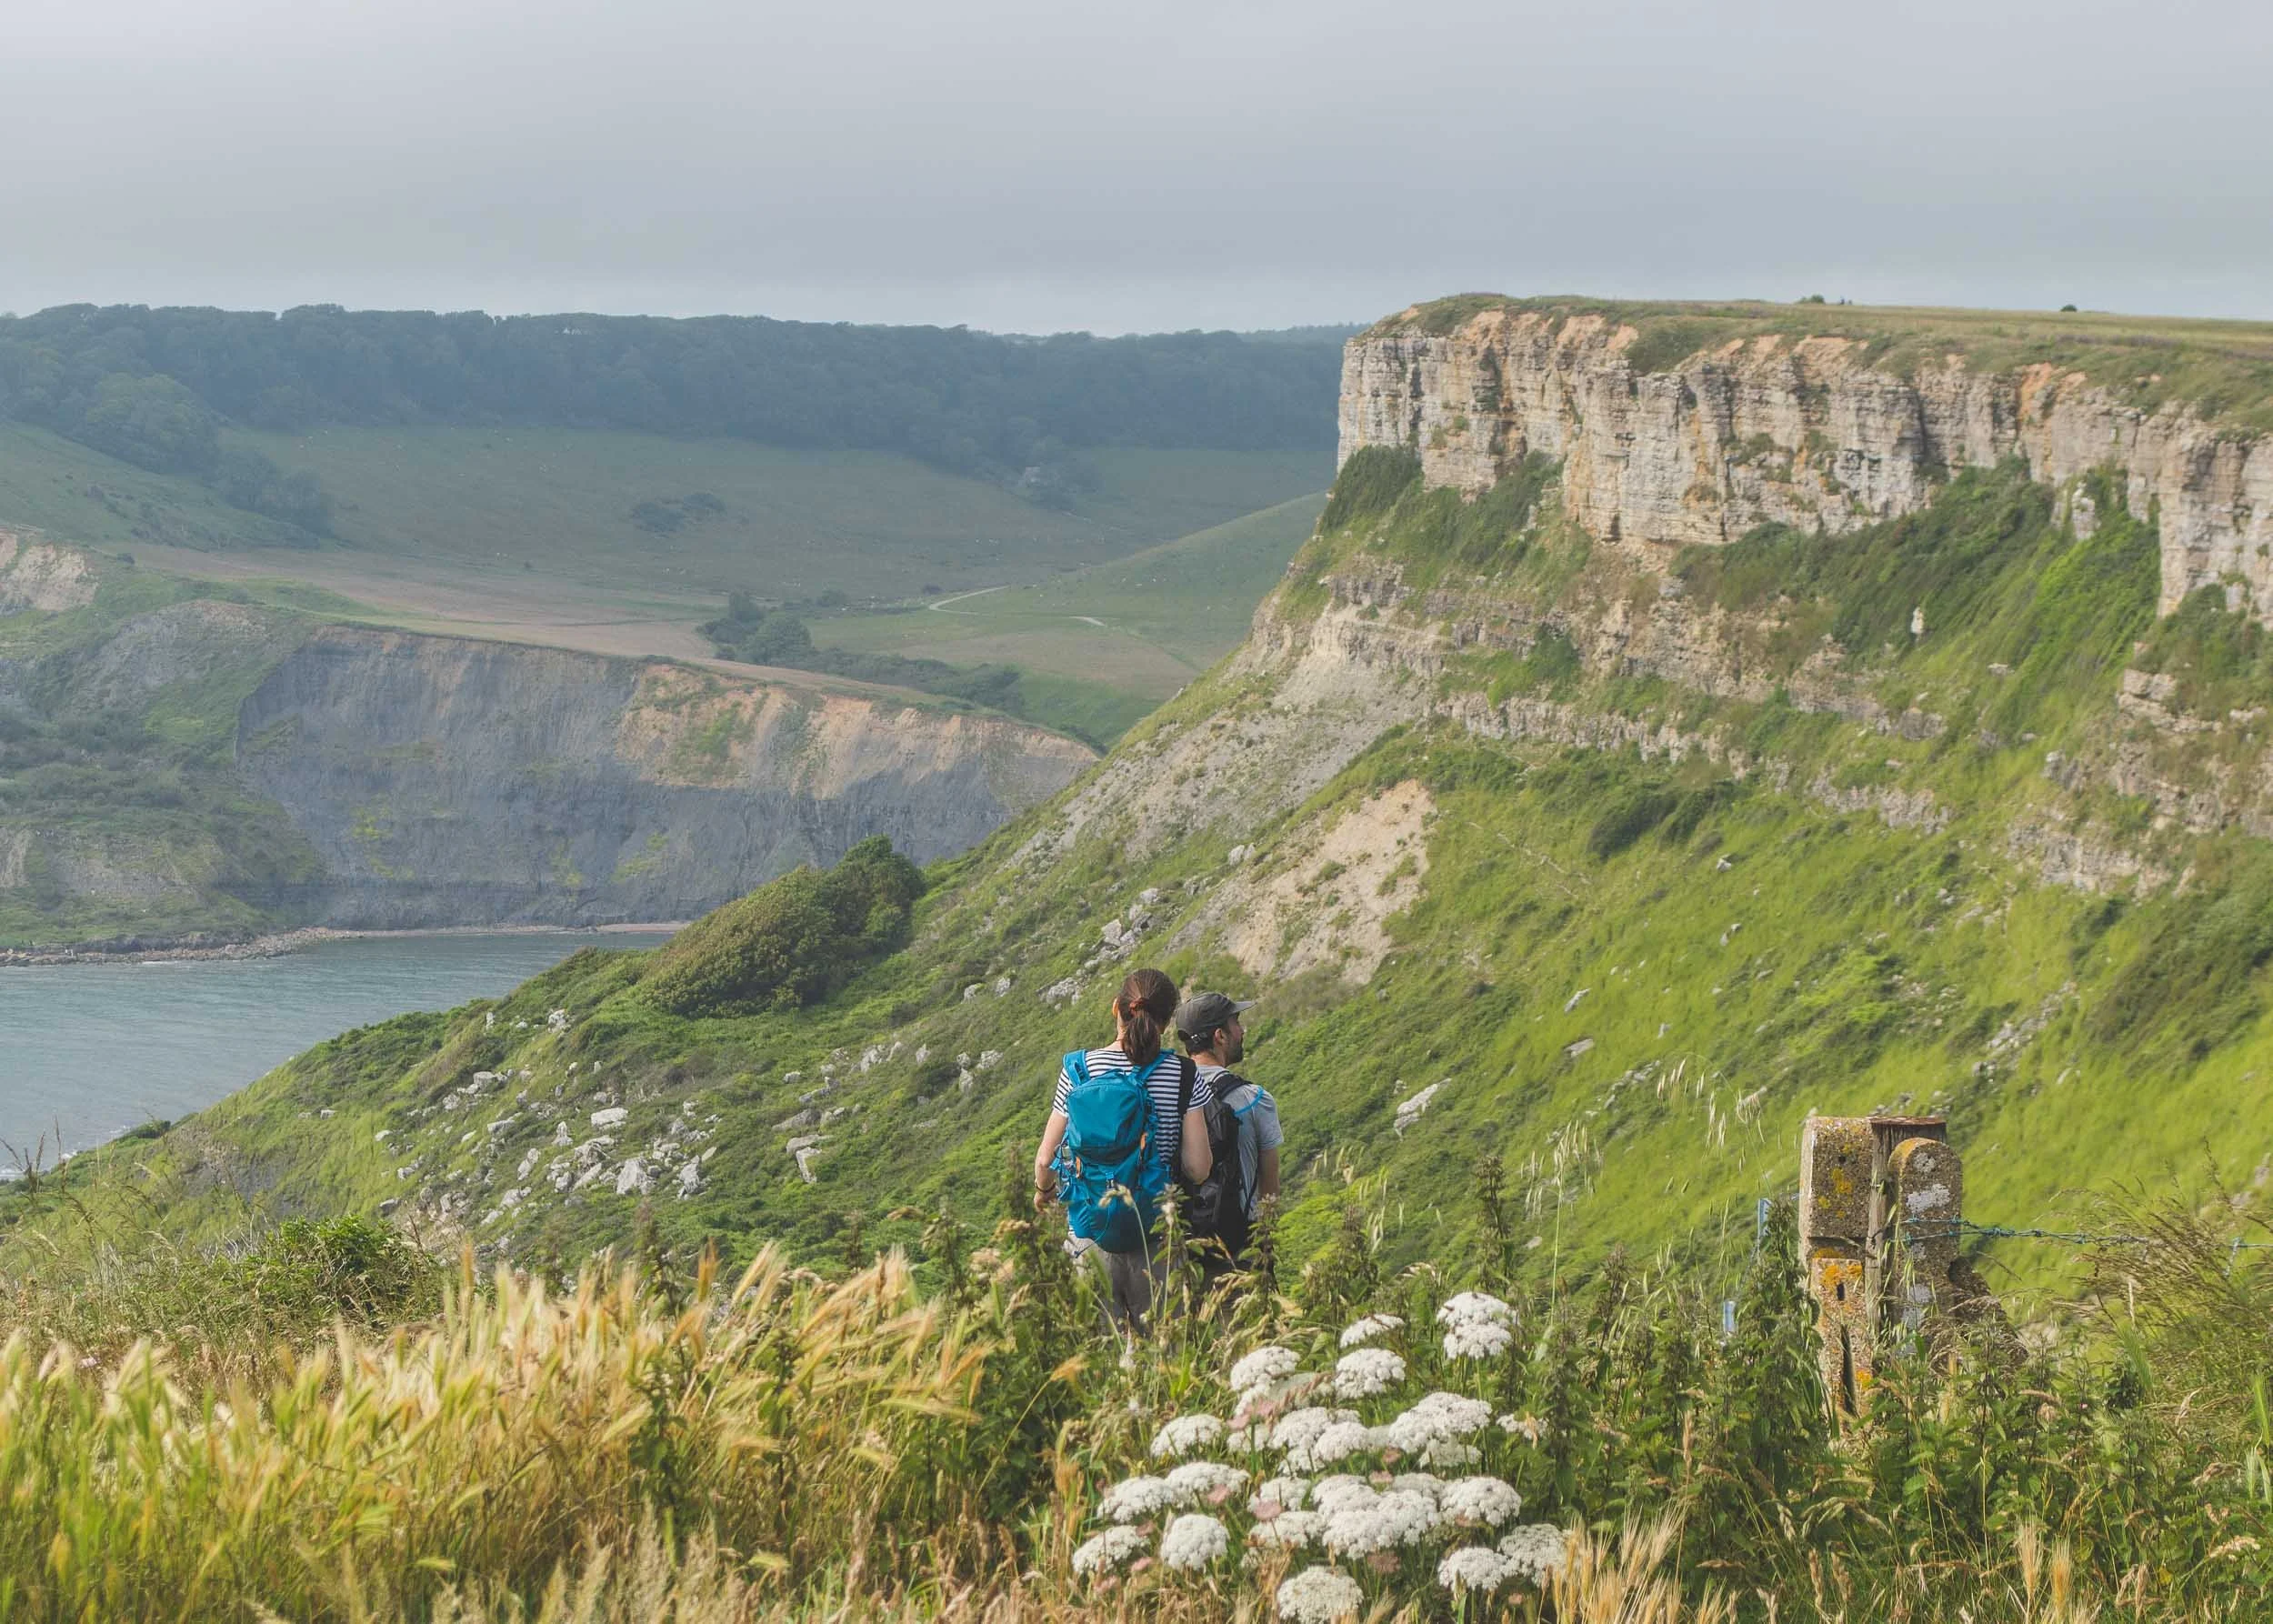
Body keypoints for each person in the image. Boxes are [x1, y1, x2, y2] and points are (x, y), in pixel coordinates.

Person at [1033, 967, 1213, 1328]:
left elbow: (1045, 1157)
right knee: (1161, 1360)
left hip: (1090, 1232)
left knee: (1098, 1360)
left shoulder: (1079, 1069)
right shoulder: (1185, 1074)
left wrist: (1044, 1191)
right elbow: (1197, 1167)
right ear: (1164, 1022)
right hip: (1157, 1236)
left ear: (1117, 1008)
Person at [1175, 989, 1281, 1276]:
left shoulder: (1167, 1094)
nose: (1242, 1030)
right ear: (1220, 1036)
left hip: (1177, 1251)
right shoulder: (1255, 1099)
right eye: (1236, 1023)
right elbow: (1269, 1184)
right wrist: (1265, 1244)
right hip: (1240, 1250)